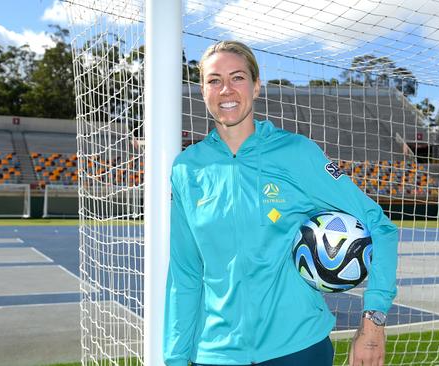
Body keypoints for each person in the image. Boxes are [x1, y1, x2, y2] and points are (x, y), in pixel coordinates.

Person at [163, 40, 399, 366]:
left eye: (237, 78)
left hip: (298, 349)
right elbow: (185, 273)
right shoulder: (187, 169)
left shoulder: (296, 153)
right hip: (215, 354)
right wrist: (175, 359)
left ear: (257, 86)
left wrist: (374, 321)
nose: (226, 90)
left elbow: (380, 226)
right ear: (203, 90)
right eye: (214, 80)